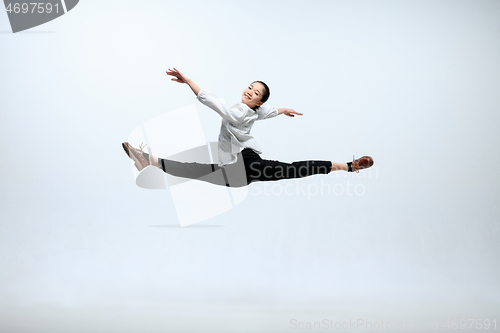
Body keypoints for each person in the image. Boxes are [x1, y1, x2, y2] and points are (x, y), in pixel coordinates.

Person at [122, 68, 373, 187]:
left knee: (192, 170)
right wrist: (283, 109)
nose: (248, 91)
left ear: (258, 100)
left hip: (244, 166)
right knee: (192, 170)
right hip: (236, 174)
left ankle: (149, 161)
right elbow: (265, 112)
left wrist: (189, 81)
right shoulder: (251, 110)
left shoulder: (241, 111)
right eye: (249, 87)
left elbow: (216, 103)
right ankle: (349, 167)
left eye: (254, 92)